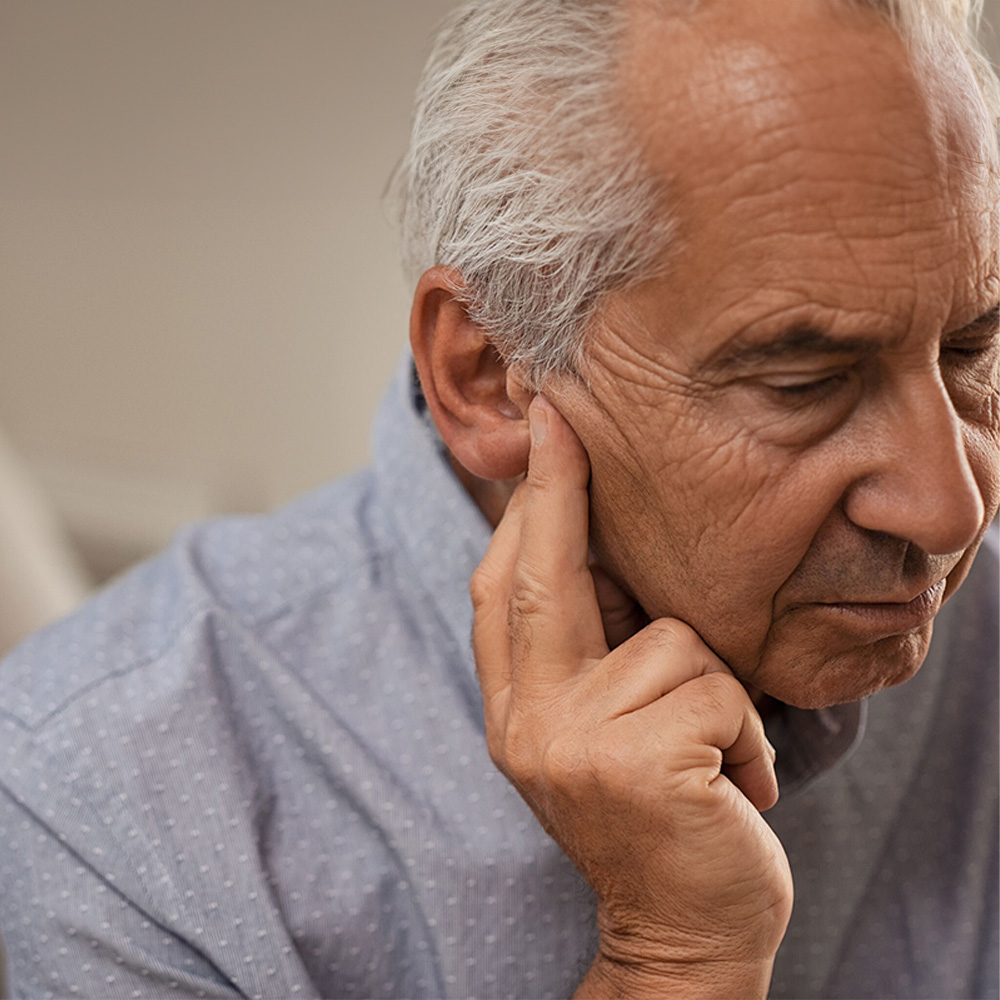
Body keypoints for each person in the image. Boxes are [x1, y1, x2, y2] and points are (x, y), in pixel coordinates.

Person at [1, 0, 997, 996]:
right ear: (485, 375)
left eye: (972, 348)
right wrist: (672, 958)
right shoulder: (106, 788)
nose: (949, 510)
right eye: (803, 384)